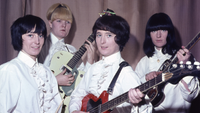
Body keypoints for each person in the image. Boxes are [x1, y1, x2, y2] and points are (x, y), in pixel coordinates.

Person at [69, 9, 153, 113]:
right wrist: (74, 110)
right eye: (99, 35)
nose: (102, 41)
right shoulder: (93, 68)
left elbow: (146, 109)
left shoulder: (126, 73)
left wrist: (137, 103)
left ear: (120, 38)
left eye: (108, 35)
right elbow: (76, 95)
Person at [38, 3, 97, 113]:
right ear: (50, 23)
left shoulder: (72, 50)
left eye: (68, 22)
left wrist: (90, 60)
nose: (64, 25)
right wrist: (55, 81)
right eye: (59, 21)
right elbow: (30, 79)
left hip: (66, 105)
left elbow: (83, 80)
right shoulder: (38, 46)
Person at [135, 12, 200, 113]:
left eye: (163, 30)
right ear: (149, 34)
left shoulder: (185, 56)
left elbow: (191, 95)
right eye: (154, 30)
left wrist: (183, 66)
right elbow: (134, 98)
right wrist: (147, 78)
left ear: (169, 33)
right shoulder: (143, 62)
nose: (158, 35)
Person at [0, 15, 62, 113]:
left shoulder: (47, 72)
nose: (37, 41)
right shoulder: (10, 70)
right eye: (30, 35)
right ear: (18, 37)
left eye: (40, 35)